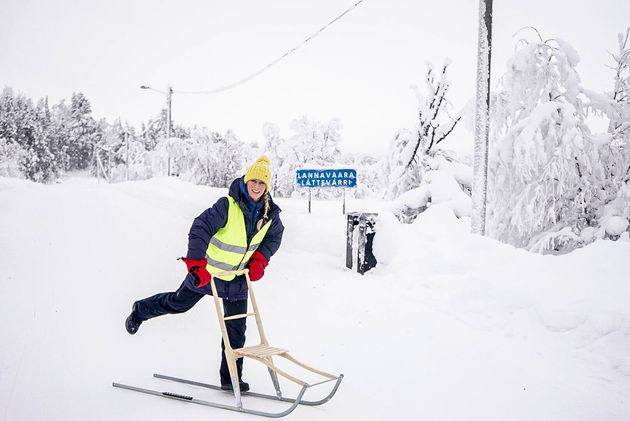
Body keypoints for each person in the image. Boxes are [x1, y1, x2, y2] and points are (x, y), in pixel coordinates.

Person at [125, 155, 284, 393]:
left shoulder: (270, 215)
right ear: (245, 180)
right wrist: (197, 264)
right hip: (207, 273)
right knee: (178, 304)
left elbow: (274, 238)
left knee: (236, 331)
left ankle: (231, 379)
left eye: (262, 184)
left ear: (267, 187)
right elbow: (200, 228)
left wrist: (261, 259)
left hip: (237, 278)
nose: (257, 186)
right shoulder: (227, 206)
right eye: (253, 181)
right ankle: (141, 310)